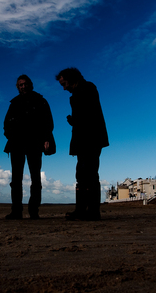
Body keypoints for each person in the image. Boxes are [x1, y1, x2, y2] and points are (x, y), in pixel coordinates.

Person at [55, 67, 109, 221]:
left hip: (91, 139)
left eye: (64, 84)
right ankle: (82, 210)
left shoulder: (88, 88)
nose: (64, 88)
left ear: (72, 79)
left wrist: (76, 121)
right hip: (83, 140)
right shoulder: (75, 95)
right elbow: (83, 118)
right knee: (82, 175)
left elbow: (90, 116)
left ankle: (91, 212)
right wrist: (75, 121)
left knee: (90, 174)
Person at [3, 75, 55, 219]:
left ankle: (33, 211)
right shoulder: (14, 103)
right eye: (20, 85)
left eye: (25, 84)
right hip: (17, 144)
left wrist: (46, 139)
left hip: (34, 144)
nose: (23, 86)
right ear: (17, 87)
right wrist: (11, 136)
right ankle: (16, 211)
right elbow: (6, 124)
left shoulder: (41, 101)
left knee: (36, 178)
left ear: (30, 85)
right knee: (16, 179)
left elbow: (48, 123)